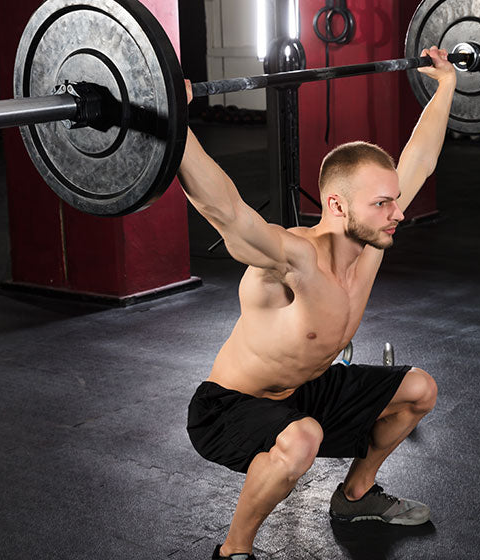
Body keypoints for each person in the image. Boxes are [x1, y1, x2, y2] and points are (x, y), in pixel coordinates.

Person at [178, 47, 457, 560]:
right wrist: (174, 124)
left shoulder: (370, 242)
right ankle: (232, 551)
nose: (397, 213)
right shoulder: (295, 258)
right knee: (302, 439)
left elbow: (420, 160)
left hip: (303, 391)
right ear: (337, 205)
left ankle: (355, 496)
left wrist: (445, 87)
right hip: (229, 408)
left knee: (418, 390)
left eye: (393, 200)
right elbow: (229, 215)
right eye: (382, 203)